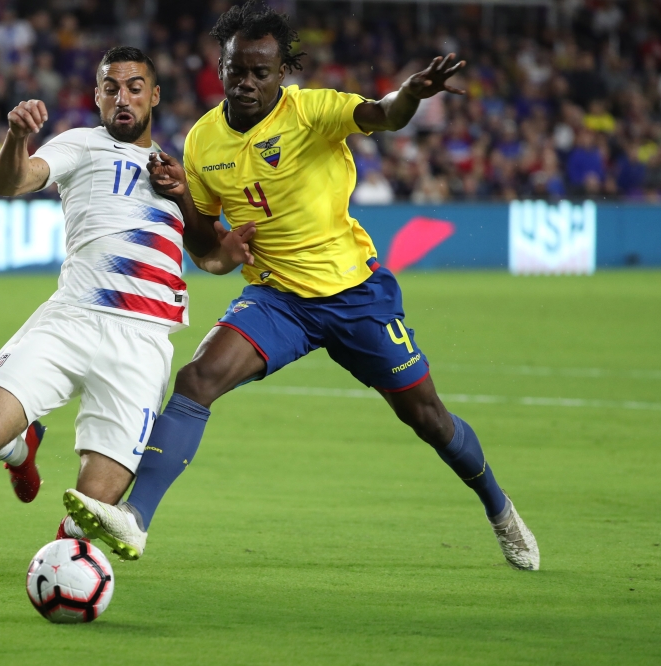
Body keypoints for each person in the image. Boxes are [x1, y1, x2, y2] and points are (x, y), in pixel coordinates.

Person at [64, 1, 540, 571]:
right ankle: (136, 520)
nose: (246, 83)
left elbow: (384, 114)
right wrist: (183, 198)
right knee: (197, 378)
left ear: (282, 74)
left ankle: (499, 508)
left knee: (428, 418)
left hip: (353, 294)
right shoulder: (202, 142)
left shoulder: (314, 112)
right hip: (276, 299)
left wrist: (411, 94)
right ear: (221, 66)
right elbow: (202, 241)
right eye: (237, 69)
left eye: (261, 73)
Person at [0, 47, 254, 538]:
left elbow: (210, 257)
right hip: (71, 317)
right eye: (111, 88)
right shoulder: (80, 144)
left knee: (91, 511)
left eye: (135, 87)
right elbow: (13, 181)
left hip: (141, 343)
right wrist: (17, 138)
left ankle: (64, 570)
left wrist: (228, 246)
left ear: (153, 95)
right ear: (97, 96)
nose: (123, 97)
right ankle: (20, 446)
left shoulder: (177, 171)